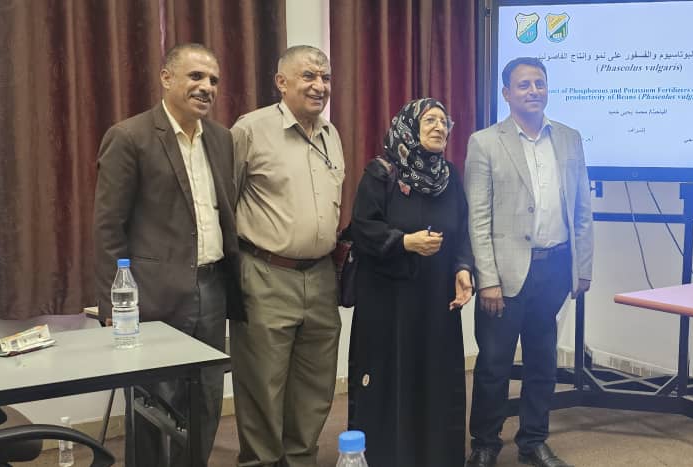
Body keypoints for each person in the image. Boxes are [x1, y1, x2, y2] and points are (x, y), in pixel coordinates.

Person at [93, 42, 240, 466]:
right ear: (166, 78)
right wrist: (113, 304)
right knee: (154, 404)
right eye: (195, 76)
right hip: (152, 296)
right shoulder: (130, 137)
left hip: (212, 288)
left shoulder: (221, 138)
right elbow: (108, 226)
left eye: (213, 80)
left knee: (206, 397)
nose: (206, 86)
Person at [464, 56, 594, 467]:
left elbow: (582, 209)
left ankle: (533, 441)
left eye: (539, 83)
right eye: (524, 85)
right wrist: (487, 279)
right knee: (494, 364)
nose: (533, 90)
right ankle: (485, 444)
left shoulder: (569, 139)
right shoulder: (485, 142)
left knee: (542, 361)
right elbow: (477, 217)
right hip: (504, 275)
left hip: (554, 268)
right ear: (506, 93)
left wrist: (582, 267)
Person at [229, 45, 345, 467]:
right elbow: (225, 202)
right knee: (262, 383)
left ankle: (300, 458)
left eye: (325, 78)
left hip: (321, 276)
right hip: (265, 273)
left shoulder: (331, 134)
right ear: (281, 82)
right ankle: (261, 462)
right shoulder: (250, 130)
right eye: (308, 76)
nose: (319, 86)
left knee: (316, 382)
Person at [346, 98, 475, 467]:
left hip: (436, 300)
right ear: (408, 127)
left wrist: (463, 268)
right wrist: (405, 242)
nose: (439, 127)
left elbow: (462, 231)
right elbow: (363, 229)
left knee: (435, 376)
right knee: (391, 376)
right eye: (429, 120)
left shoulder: (449, 178)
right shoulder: (381, 173)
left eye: (444, 122)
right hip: (388, 299)